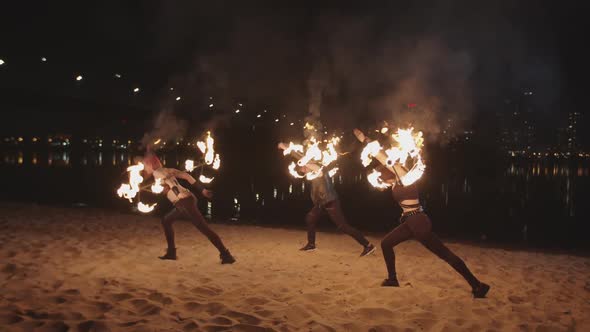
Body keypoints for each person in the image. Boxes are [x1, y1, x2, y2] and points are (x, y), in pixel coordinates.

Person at [353, 129, 489, 298]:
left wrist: (365, 140)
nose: (380, 178)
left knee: (445, 254)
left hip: (418, 223)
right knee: (386, 244)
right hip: (411, 222)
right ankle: (392, 279)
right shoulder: (398, 182)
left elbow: (381, 156)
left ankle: (477, 285)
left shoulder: (404, 176)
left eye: (382, 174)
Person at [278, 142, 376, 256]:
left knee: (343, 226)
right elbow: (304, 161)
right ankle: (311, 245)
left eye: (303, 167)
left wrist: (286, 148)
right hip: (321, 204)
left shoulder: (319, 170)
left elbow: (304, 160)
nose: (302, 169)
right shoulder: (312, 172)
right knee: (310, 218)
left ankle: (368, 245)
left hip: (331, 202)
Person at [142, 152, 235, 264]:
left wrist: (177, 194)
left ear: (151, 165)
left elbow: (172, 185)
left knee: (203, 228)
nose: (144, 167)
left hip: (184, 202)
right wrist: (202, 190)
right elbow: (187, 176)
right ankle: (171, 253)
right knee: (166, 221)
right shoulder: (167, 170)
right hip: (187, 199)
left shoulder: (157, 173)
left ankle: (226, 255)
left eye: (145, 164)